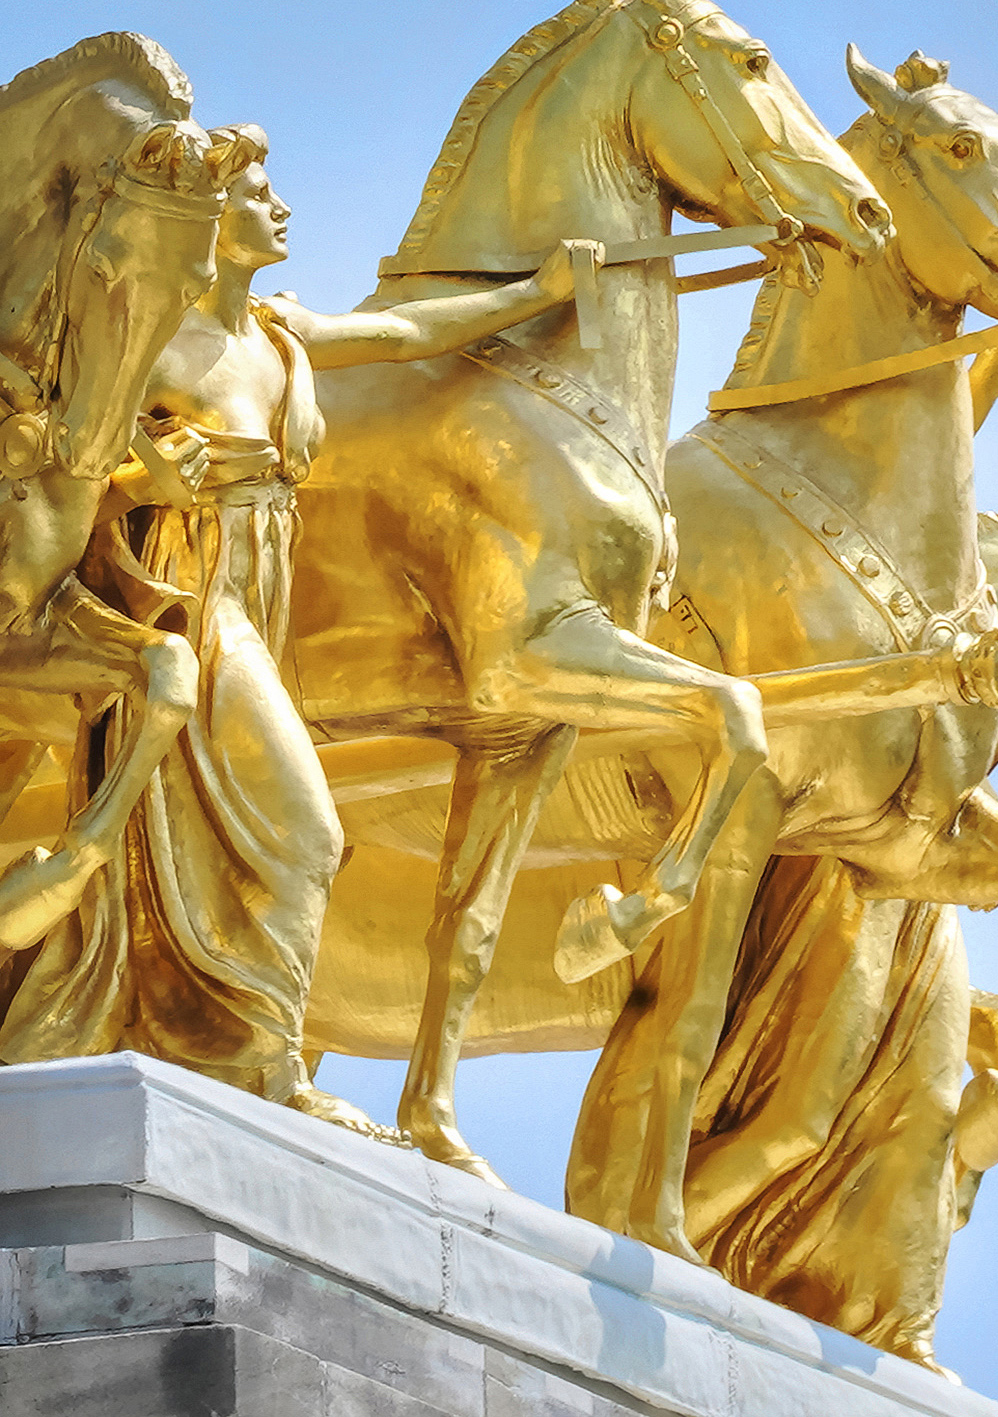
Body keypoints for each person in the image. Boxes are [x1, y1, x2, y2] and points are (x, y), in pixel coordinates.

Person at [0, 123, 599, 1127]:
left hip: (263, 607)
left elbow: (409, 337)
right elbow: (65, 491)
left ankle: (200, 1033)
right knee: (310, 837)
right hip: (196, 597)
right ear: (212, 221)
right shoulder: (148, 344)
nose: (280, 208)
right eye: (259, 196)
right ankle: (271, 1069)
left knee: (231, 842)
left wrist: (539, 293)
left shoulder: (279, 335)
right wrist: (145, 477)